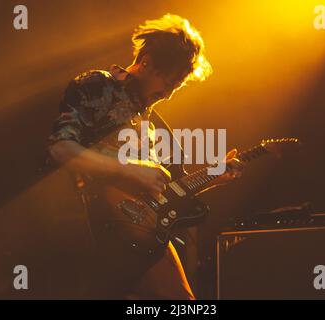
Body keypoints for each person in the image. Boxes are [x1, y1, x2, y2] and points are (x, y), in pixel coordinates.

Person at [48, 14, 244, 299]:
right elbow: (60, 148)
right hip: (89, 228)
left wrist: (216, 176)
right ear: (147, 61)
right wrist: (129, 171)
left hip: (142, 231)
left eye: (178, 86)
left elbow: (167, 190)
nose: (169, 93)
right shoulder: (99, 84)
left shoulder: (148, 118)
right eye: (169, 81)